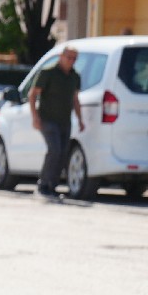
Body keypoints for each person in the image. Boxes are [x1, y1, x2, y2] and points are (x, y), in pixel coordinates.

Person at [32, 45, 84, 202]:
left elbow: (75, 99)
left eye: (74, 58)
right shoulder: (48, 73)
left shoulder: (75, 76)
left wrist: (80, 119)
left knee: (62, 153)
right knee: (54, 150)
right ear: (61, 56)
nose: (71, 61)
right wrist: (35, 117)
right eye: (69, 57)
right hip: (48, 119)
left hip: (64, 120)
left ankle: (52, 187)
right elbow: (33, 94)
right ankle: (43, 185)